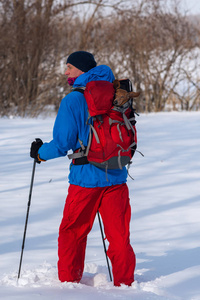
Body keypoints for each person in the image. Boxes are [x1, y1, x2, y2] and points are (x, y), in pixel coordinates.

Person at [30, 51, 136, 287]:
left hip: (85, 181)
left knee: (72, 232)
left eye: (69, 67)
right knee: (119, 237)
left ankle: (69, 283)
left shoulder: (73, 100)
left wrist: (40, 153)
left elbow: (62, 144)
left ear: (82, 70)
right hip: (116, 176)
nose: (65, 72)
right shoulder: (116, 92)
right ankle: (126, 283)